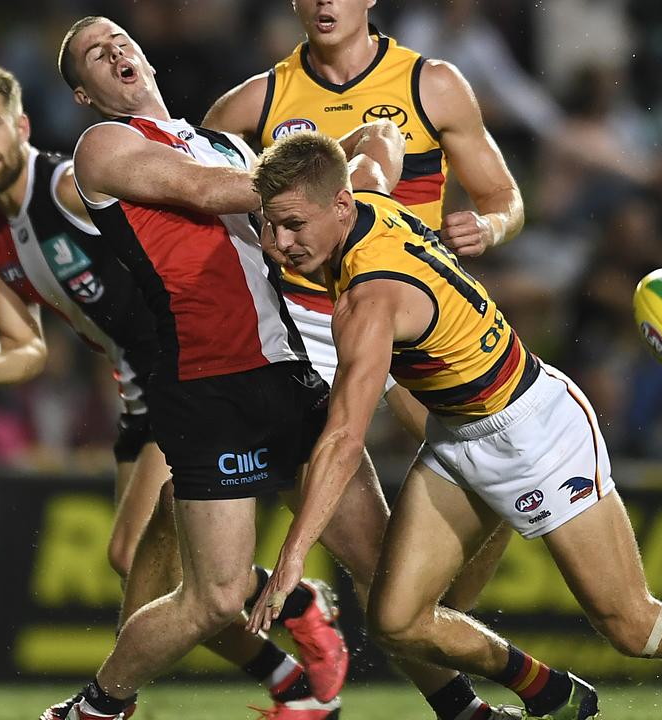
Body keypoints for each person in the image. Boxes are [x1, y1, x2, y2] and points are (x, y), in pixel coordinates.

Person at [247, 129, 662, 720]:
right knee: (396, 621)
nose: (279, 246)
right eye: (270, 227)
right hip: (457, 438)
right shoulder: (365, 197)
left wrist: (292, 558)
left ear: (336, 207)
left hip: (534, 431)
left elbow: (343, 438)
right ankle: (549, 693)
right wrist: (331, 147)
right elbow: (379, 141)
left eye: (293, 225)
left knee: (634, 626)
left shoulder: (369, 300)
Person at [44, 16, 517, 720]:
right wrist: (343, 170)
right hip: (207, 384)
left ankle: (462, 709)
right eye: (93, 54)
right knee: (213, 596)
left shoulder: (225, 142)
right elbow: (208, 192)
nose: (115, 52)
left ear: (142, 55)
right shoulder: (103, 146)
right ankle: (97, 707)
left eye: (120, 41)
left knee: (383, 568)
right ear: (84, 93)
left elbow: (288, 225)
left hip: (287, 373)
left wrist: (357, 166)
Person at [0, 65, 344, 718]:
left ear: (22, 126)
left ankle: (256, 655)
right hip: (135, 395)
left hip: (179, 373)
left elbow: (174, 219)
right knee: (144, 564)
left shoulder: (70, 185)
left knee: (167, 573)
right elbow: (29, 347)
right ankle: (291, 663)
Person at [204, 0, 524, 617]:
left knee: (503, 480)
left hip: (411, 325)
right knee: (333, 527)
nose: (326, 3)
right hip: (304, 327)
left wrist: (490, 227)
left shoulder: (430, 84)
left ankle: (445, 624)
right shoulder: (253, 105)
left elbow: (504, 194)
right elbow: (204, 209)